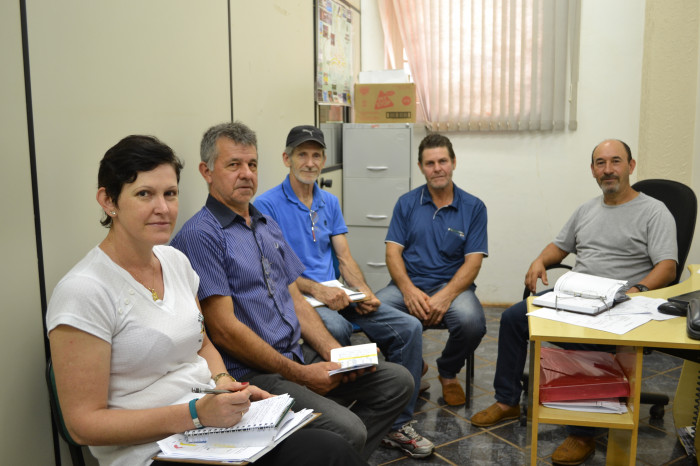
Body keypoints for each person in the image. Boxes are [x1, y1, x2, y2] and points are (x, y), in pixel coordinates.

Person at [46, 135, 367, 466]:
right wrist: (195, 414)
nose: (163, 208)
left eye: (170, 194)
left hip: (213, 429)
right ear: (108, 200)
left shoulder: (175, 262)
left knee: (330, 450)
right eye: (144, 194)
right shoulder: (84, 290)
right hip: (153, 451)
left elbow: (202, 343)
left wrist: (226, 383)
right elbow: (83, 426)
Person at [170, 121, 414, 461]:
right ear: (206, 172)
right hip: (256, 376)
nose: (246, 174)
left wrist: (333, 354)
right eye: (233, 165)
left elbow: (295, 299)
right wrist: (301, 376)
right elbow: (224, 330)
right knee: (349, 429)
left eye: (252, 164)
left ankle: (338, 457)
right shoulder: (201, 235)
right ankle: (336, 452)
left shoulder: (265, 225)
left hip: (298, 355)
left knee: (398, 381)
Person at [470, 139, 677, 465]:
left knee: (584, 340)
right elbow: (559, 246)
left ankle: (583, 432)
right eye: (600, 163)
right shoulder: (587, 209)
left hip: (619, 303)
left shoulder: (654, 211)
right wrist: (540, 260)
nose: (608, 170)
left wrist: (637, 289)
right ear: (593, 170)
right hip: (576, 294)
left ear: (631, 166)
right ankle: (507, 400)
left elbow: (667, 266)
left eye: (615, 161)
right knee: (513, 318)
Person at [254, 125, 434, 458]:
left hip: (338, 294)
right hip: (303, 296)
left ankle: (397, 423)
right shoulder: (267, 205)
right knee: (336, 328)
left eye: (316, 155)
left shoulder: (329, 201)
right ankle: (346, 409)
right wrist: (319, 291)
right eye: (302, 154)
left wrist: (365, 292)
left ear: (323, 159)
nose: (310, 162)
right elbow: (278, 273)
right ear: (286, 159)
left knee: (408, 327)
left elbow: (344, 257)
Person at [375, 133, 488, 407]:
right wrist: (407, 290)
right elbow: (393, 253)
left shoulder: (473, 207)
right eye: (430, 163)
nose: (437, 168)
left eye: (442, 161)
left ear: (453, 163)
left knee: (472, 323)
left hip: (453, 287)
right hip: (408, 285)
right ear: (420, 167)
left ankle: (448, 373)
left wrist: (445, 296)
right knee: (370, 312)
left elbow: (473, 262)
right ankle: (411, 368)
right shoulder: (406, 203)